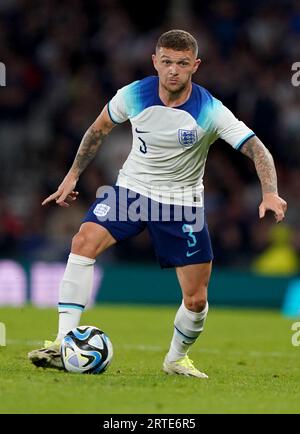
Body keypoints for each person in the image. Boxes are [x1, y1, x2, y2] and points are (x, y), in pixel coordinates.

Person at [28, 29, 287, 378]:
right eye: (166, 62)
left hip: (181, 203)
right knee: (83, 241)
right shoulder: (134, 94)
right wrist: (72, 175)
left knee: (196, 300)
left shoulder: (210, 109)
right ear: (155, 61)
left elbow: (257, 149)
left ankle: (176, 359)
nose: (173, 71)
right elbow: (98, 129)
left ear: (195, 65)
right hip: (131, 190)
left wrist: (269, 192)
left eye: (182, 64)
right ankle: (61, 342)